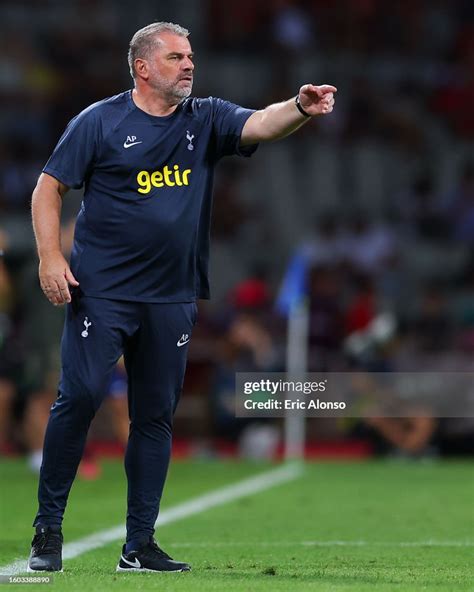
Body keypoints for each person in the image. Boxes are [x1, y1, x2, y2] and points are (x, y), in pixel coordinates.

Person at [28, 21, 336, 574]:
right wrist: (52, 258)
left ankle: (138, 544)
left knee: (154, 417)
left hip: (172, 296)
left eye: (190, 56)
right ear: (143, 67)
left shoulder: (207, 118)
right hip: (103, 292)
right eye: (175, 57)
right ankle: (48, 528)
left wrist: (299, 105)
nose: (188, 64)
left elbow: (261, 124)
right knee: (80, 396)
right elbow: (48, 187)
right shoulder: (98, 121)